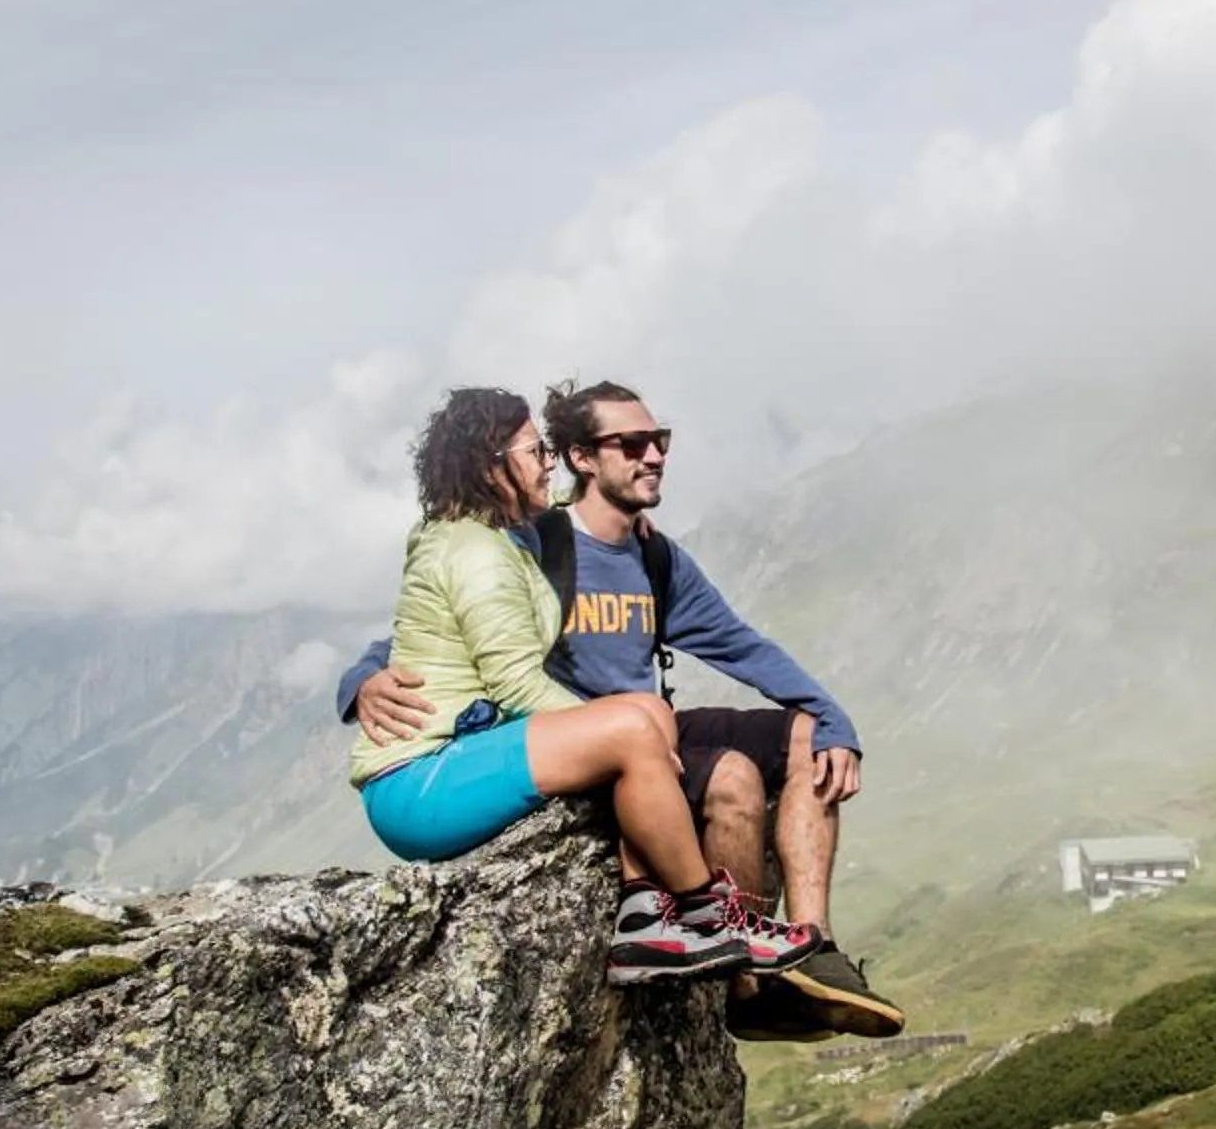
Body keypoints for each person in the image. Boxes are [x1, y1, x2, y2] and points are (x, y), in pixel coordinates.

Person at [340, 379, 902, 1041]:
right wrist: (360, 682)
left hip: (634, 725)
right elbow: (424, 632)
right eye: (632, 443)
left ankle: (816, 954)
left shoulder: (653, 555)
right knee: (725, 774)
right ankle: (740, 969)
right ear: (585, 458)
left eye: (660, 441)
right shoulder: (530, 540)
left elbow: (741, 644)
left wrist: (834, 716)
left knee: (809, 736)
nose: (654, 455)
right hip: (582, 737)